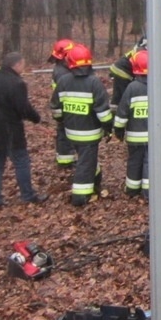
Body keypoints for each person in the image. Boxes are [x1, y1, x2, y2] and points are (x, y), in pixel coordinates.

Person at [51, 44, 113, 206]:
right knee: (85, 162)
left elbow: (56, 109)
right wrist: (109, 128)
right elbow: (103, 113)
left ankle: (96, 178)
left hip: (70, 131)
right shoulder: (94, 83)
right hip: (90, 133)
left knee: (87, 158)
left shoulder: (63, 81)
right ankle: (80, 196)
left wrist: (62, 121)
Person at [113, 50, 161, 201]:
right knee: (149, 162)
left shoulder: (132, 88)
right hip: (154, 137)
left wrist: (118, 129)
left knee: (134, 161)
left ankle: (132, 189)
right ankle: (148, 193)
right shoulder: (160, 87)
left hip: (134, 136)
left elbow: (122, 111)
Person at [0, 52, 47, 206]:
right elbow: (23, 108)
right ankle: (28, 195)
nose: (23, 68)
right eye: (23, 65)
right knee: (21, 161)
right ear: (16, 65)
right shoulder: (17, 83)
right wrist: (36, 118)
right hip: (11, 130)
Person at [48, 39, 77, 167]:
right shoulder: (61, 72)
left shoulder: (63, 68)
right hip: (64, 105)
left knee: (65, 133)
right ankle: (65, 161)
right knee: (64, 134)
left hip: (64, 104)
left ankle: (66, 159)